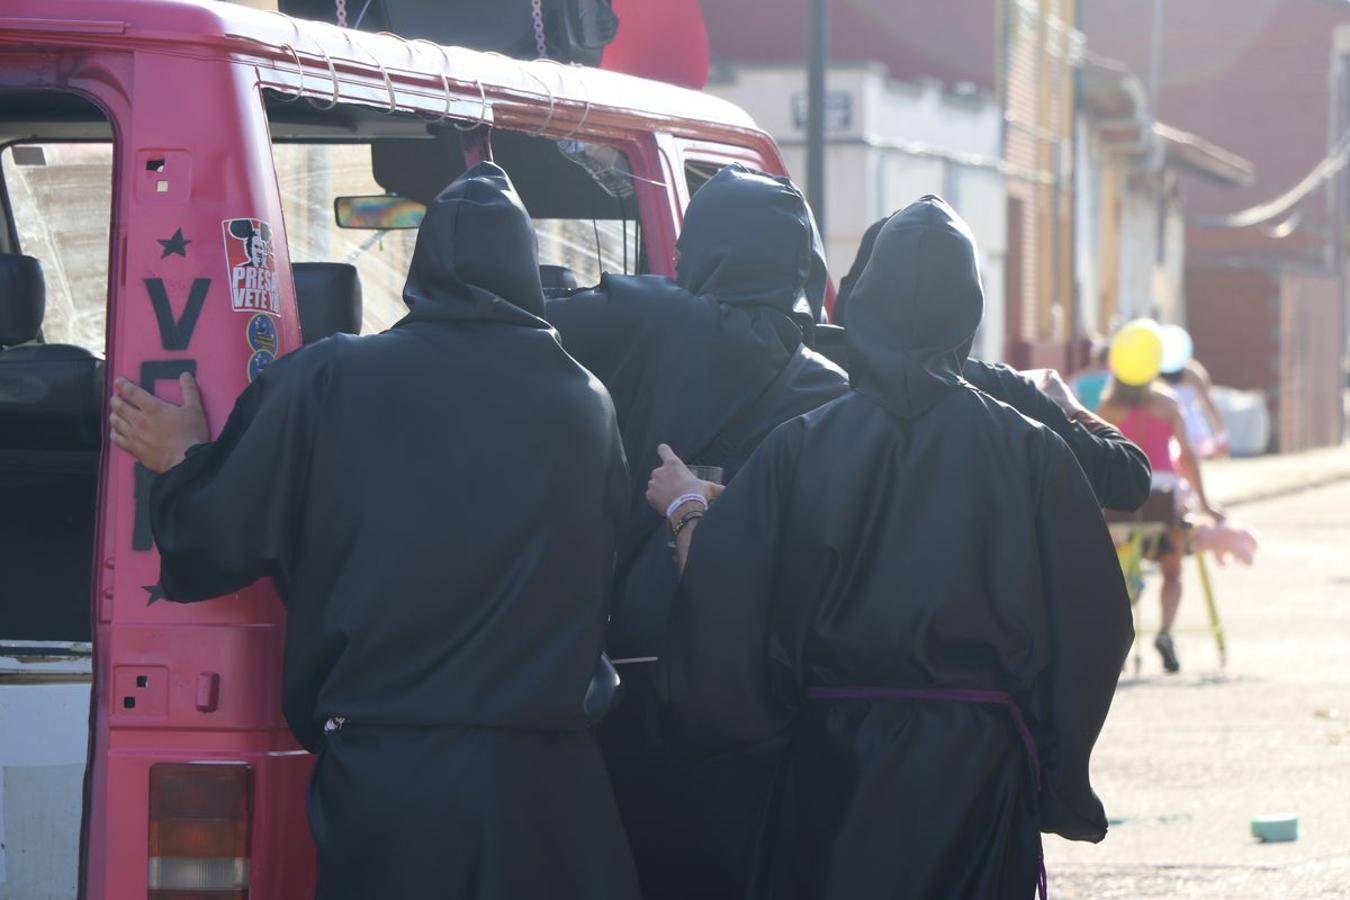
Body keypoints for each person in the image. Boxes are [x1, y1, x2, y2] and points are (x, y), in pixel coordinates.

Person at [108, 163, 640, 900]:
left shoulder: (330, 378)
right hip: (546, 782)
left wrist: (181, 460)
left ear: (421, 270)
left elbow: (216, 536)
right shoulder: (587, 401)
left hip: (391, 775)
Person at [647, 196, 1133, 899]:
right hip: (981, 770)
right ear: (967, 311)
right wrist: (1056, 774)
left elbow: (726, 608)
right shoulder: (1034, 454)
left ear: (863, 305)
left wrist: (689, 511)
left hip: (833, 767)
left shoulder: (799, 448)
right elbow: (1094, 624)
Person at [545, 163, 849, 899]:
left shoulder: (650, 318)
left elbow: (503, 319)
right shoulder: (834, 386)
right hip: (767, 689)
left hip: (634, 664)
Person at [834, 214, 1151, 513]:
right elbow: (1129, 478)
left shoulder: (812, 396)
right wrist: (1071, 409)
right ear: (966, 305)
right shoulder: (1004, 395)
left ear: (860, 296)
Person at [1098, 373, 1224, 674]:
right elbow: (1188, 456)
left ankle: (1118, 641)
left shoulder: (1107, 407)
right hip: (1166, 499)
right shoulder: (1168, 403)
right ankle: (1166, 631)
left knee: (1117, 579)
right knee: (1173, 571)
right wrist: (1205, 503)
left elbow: (1098, 454)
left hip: (1123, 501)